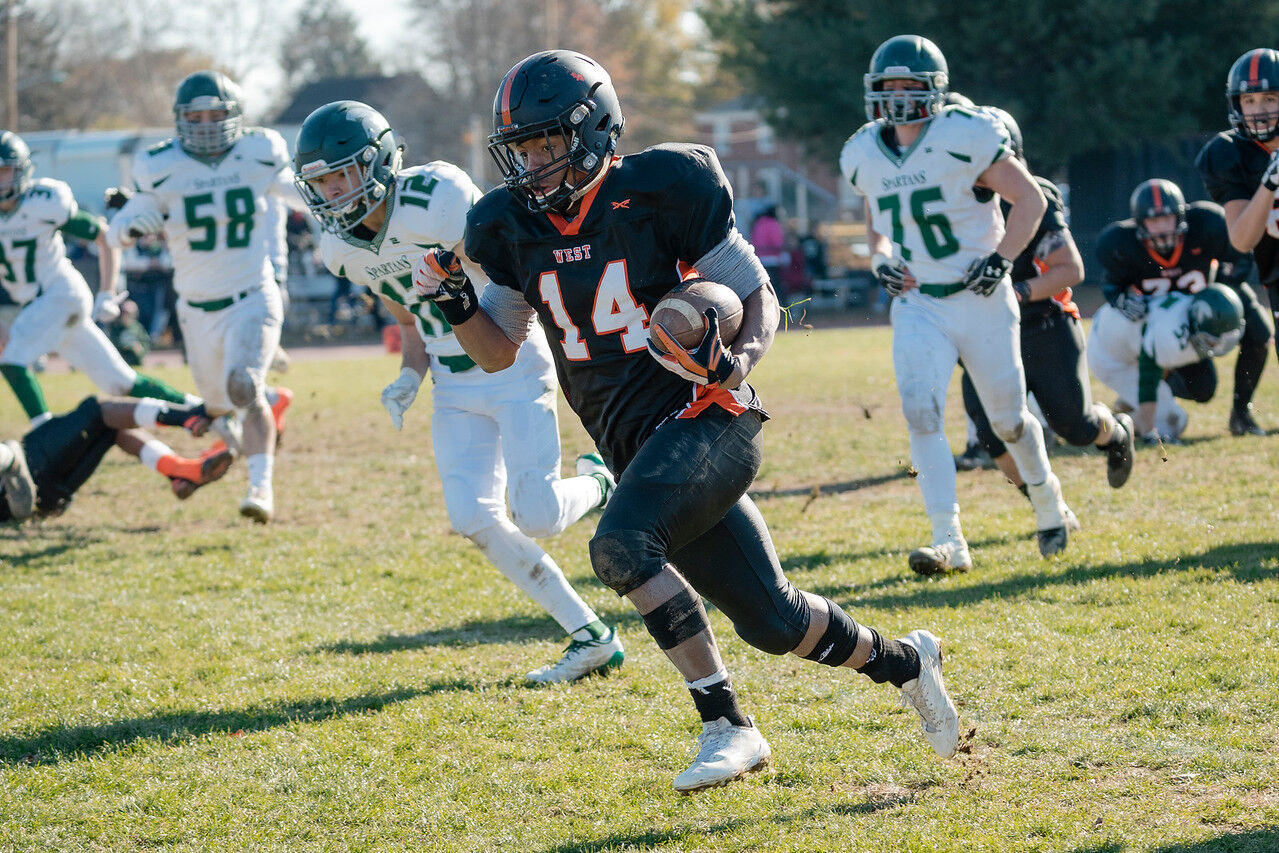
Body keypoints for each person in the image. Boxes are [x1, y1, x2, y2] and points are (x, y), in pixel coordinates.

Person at [413, 49, 959, 793]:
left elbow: (755, 293)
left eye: (547, 144)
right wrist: (454, 302)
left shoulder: (665, 188)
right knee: (773, 620)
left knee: (620, 546)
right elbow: (498, 353)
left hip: (709, 415)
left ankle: (726, 724)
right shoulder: (506, 224)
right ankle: (905, 662)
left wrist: (741, 360)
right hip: (639, 448)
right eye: (523, 149)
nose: (533, 164)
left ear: (595, 130)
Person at [292, 100, 624, 684]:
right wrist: (407, 376)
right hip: (451, 384)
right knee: (472, 515)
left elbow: (504, 240)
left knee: (540, 516)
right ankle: (590, 636)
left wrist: (448, 260)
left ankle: (598, 479)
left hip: (510, 361)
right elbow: (406, 316)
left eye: (341, 174)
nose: (334, 192)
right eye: (320, 182)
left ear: (380, 162)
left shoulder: (436, 195)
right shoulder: (338, 249)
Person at [840, 35, 1073, 575]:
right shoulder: (864, 151)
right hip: (920, 301)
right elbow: (876, 225)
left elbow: (1031, 199)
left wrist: (1002, 258)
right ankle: (949, 539)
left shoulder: (965, 135)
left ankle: (1047, 502)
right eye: (888, 86)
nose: (897, 97)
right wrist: (880, 261)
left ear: (935, 91)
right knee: (921, 411)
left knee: (1009, 420)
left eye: (909, 86)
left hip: (982, 298)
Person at [106, 70, 294, 523]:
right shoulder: (158, 163)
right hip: (195, 311)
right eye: (196, 115)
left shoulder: (259, 151)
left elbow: (302, 193)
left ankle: (260, 488)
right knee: (214, 409)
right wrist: (133, 226)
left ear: (234, 117)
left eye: (216, 113)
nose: (207, 123)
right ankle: (239, 437)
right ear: (180, 119)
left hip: (252, 295)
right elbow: (117, 230)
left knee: (244, 388)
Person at [958, 107, 1133, 496]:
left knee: (1076, 426)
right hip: (986, 332)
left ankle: (1117, 431)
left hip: (1043, 323)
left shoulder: (1030, 197)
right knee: (990, 435)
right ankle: (1044, 505)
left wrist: (1014, 292)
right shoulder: (946, 203)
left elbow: (1070, 270)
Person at [0, 131, 195, 427]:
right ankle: (199, 411)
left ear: (22, 170)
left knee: (13, 361)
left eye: (4, 170)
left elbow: (105, 236)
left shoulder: (43, 201)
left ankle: (45, 435)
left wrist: (106, 291)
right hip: (39, 304)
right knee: (122, 383)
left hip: (61, 294)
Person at [1089, 179, 1255, 442]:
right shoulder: (1121, 245)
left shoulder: (1206, 226)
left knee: (1206, 387)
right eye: (1153, 221)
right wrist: (1120, 298)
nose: (1161, 229)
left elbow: (1241, 256)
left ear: (1180, 216)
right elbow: (1112, 284)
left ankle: (1242, 412)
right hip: (1152, 325)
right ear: (1139, 224)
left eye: (1166, 218)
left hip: (1191, 316)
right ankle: (1137, 403)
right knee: (1170, 411)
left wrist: (1220, 290)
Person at [1195, 47, 1279, 436]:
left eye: (1270, 98)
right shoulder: (1229, 154)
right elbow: (1243, 238)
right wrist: (1270, 181)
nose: (1259, 109)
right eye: (1249, 99)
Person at [1, 395, 233, 522]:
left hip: (42, 496)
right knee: (97, 410)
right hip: (27, 470)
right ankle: (187, 417)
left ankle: (180, 469)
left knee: (110, 426)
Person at [1093, 286, 1245, 443]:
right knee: (1173, 422)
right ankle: (1100, 420)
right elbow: (1148, 379)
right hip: (1108, 354)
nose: (1218, 346)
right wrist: (1149, 431)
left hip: (1121, 334)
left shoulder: (1187, 313)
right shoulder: (1170, 336)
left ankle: (1128, 405)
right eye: (1213, 341)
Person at [107, 299, 151, 366]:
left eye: (129, 314)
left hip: (135, 361)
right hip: (120, 361)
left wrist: (140, 348)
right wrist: (125, 346)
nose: (126, 316)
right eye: (124, 313)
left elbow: (145, 343)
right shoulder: (115, 328)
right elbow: (111, 343)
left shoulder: (138, 328)